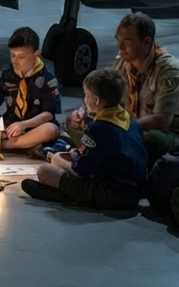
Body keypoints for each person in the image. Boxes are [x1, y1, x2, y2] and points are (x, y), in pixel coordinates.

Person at [65, 12, 179, 161]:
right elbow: (103, 94)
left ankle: (102, 154)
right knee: (72, 123)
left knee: (149, 139)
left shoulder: (169, 71)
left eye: (127, 42)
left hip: (170, 134)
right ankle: (103, 154)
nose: (120, 47)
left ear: (146, 42)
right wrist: (83, 113)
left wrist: (120, 128)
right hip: (130, 127)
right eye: (118, 40)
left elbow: (163, 119)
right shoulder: (122, 64)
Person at [22, 68, 147, 210]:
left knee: (44, 171)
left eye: (86, 96)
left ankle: (64, 196)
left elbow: (81, 171)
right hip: (135, 192)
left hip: (111, 196)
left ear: (96, 100)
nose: (85, 100)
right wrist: (77, 154)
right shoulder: (130, 120)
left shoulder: (98, 128)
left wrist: (57, 160)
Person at [0, 26, 61, 154]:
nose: (15, 61)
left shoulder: (47, 79)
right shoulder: (6, 74)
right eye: (12, 55)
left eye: (21, 57)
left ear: (36, 54)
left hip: (34, 126)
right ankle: (24, 144)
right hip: (10, 125)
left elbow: (48, 114)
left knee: (50, 130)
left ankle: (3, 145)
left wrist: (23, 125)